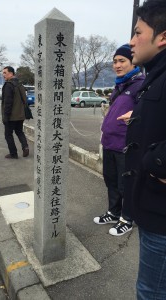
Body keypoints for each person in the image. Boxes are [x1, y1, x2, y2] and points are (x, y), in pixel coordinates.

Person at [117, 0, 166, 298]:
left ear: (162, 37)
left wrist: (156, 164)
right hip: (150, 208)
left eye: (138, 33)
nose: (131, 42)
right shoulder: (155, 76)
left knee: (151, 292)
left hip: (161, 214)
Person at [93, 44, 145, 236]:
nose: (117, 65)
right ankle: (114, 212)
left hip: (126, 146)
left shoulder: (140, 84)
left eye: (122, 60)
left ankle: (127, 218)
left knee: (126, 185)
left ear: (133, 62)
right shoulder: (120, 85)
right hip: (109, 143)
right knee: (111, 180)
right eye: (115, 61)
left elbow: (145, 115)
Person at [1, 66, 29, 159]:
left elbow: (8, 103)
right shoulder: (20, 84)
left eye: (5, 72)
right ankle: (25, 147)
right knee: (19, 131)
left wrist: (5, 117)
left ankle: (13, 153)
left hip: (11, 116)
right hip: (20, 115)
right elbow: (25, 100)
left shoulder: (8, 85)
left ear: (11, 73)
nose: (3, 74)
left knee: (8, 134)